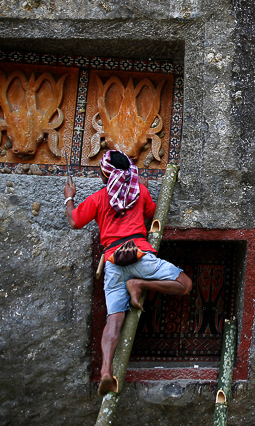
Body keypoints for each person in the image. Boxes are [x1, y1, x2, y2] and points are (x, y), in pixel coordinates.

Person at [64, 149, 192, 396]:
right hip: (139, 256)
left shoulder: (98, 198)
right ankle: (140, 285)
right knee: (184, 284)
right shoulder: (140, 192)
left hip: (112, 262)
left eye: (101, 171)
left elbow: (74, 221)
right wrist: (143, 187)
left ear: (106, 175)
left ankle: (105, 371)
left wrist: (69, 197)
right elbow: (151, 214)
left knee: (114, 319)